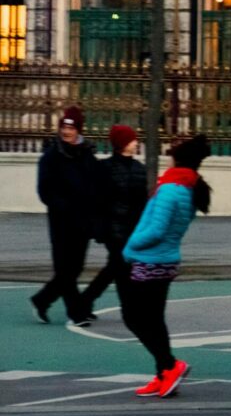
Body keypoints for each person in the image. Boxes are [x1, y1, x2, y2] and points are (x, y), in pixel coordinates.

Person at [120, 134, 212, 398]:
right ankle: (164, 373)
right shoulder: (188, 188)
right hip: (166, 260)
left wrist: (131, 245)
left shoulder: (171, 188)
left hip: (150, 260)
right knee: (153, 319)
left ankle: (170, 365)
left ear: (177, 161)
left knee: (134, 317)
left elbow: (157, 229)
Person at [31, 106, 100, 327]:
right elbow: (44, 191)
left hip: (83, 221)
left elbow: (94, 185)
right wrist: (63, 206)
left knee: (75, 268)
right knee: (65, 269)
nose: (66, 131)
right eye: (64, 127)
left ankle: (42, 299)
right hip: (61, 222)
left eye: (71, 127)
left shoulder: (86, 153)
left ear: (78, 130)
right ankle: (77, 312)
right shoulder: (51, 156)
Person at [81, 125, 148, 315]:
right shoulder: (105, 168)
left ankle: (85, 301)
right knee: (120, 267)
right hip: (113, 228)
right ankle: (128, 308)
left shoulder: (139, 169)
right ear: (122, 143)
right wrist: (100, 228)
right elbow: (99, 200)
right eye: (132, 139)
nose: (136, 143)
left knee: (116, 267)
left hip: (132, 228)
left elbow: (142, 200)